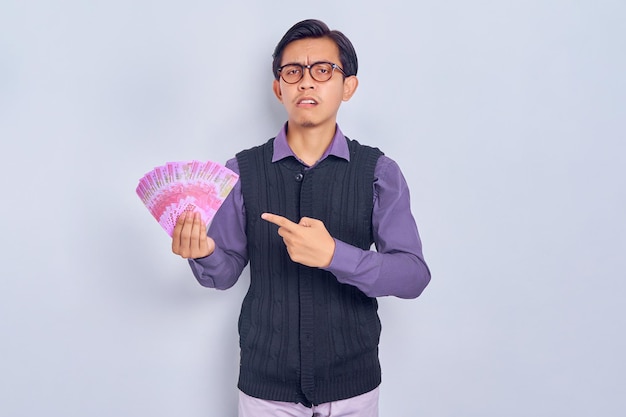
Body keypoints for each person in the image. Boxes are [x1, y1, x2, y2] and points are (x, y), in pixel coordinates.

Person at [171, 18, 431, 417]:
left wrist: (334, 255)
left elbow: (413, 275)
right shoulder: (239, 172)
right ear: (278, 88)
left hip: (354, 384)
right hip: (265, 388)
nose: (306, 82)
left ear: (348, 86)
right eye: (292, 72)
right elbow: (222, 274)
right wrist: (203, 251)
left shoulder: (379, 172)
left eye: (322, 70)